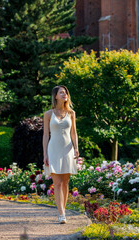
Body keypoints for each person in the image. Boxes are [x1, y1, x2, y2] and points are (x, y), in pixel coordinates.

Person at [43, 85, 79, 224]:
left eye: (66, 92)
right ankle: (61, 214)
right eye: (61, 92)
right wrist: (45, 153)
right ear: (56, 96)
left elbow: (74, 133)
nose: (65, 94)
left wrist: (76, 148)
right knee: (57, 183)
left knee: (65, 183)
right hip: (53, 149)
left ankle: (62, 211)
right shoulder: (48, 114)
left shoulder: (71, 113)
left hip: (68, 149)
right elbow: (46, 135)